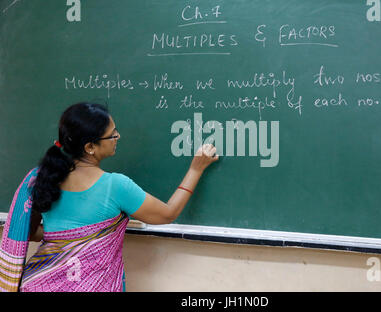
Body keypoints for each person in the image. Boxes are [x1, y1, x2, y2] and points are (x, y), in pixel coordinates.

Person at [0, 102, 218, 292]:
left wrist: (63, 238)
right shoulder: (115, 186)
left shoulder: (41, 178)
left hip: (38, 284)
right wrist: (195, 169)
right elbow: (168, 213)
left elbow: (27, 232)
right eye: (112, 134)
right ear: (90, 147)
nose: (117, 137)